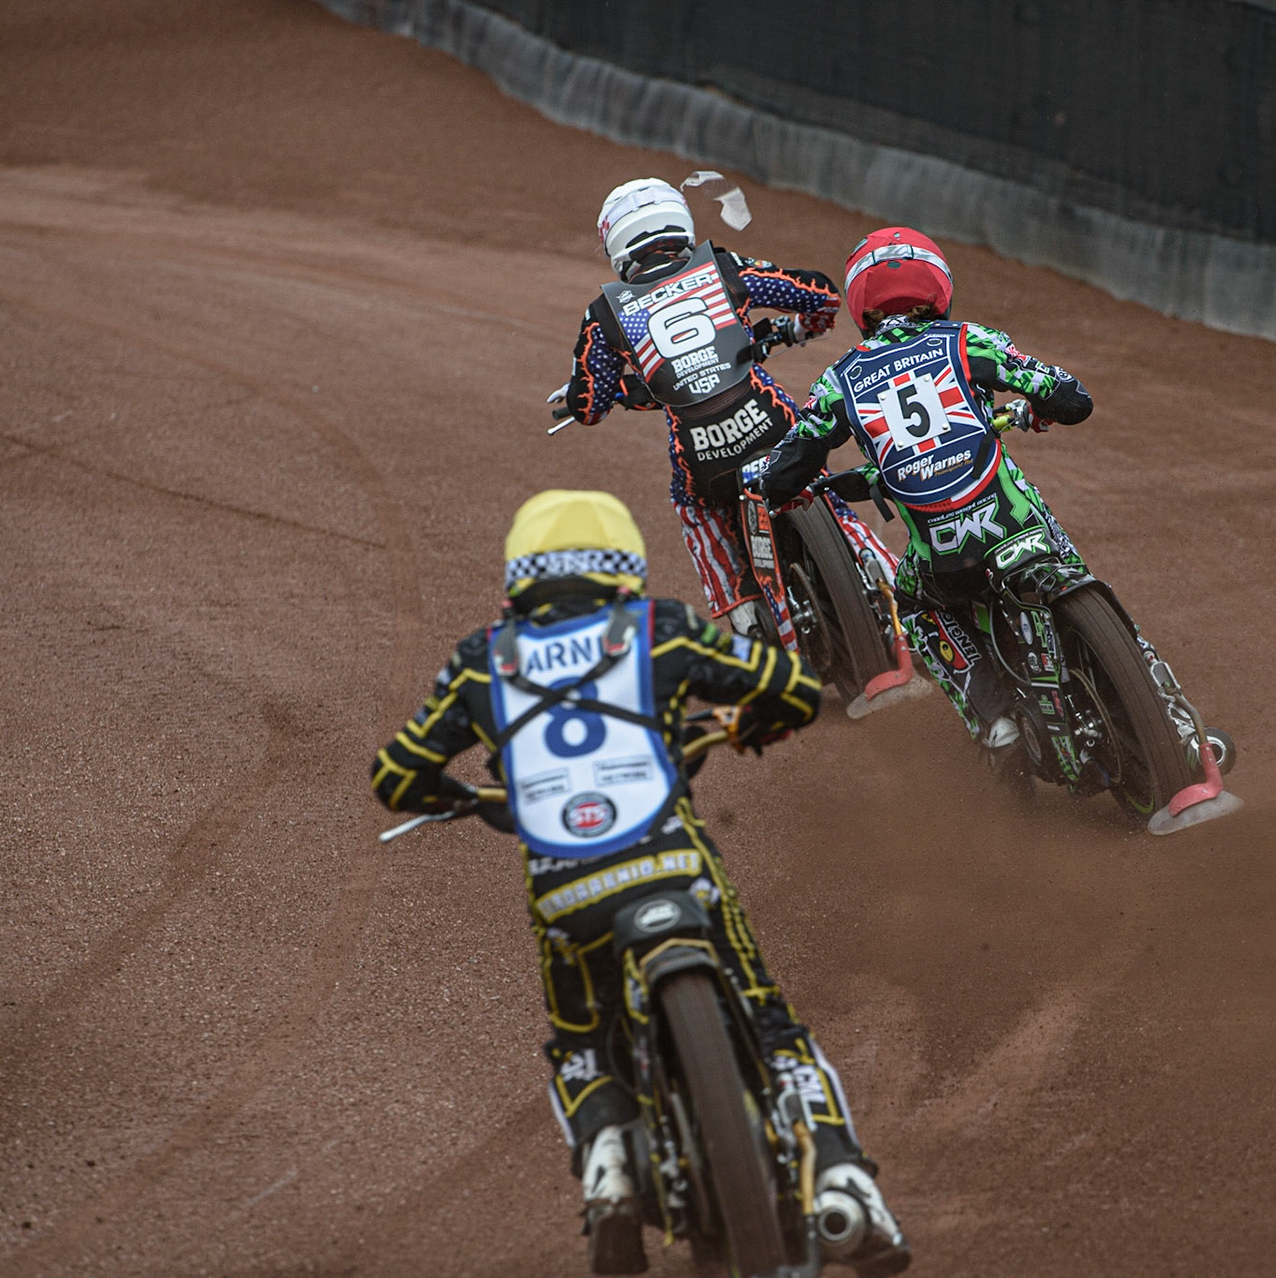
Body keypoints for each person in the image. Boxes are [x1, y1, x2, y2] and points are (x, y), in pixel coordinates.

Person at [370, 490, 909, 1277]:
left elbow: (397, 774)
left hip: (568, 896)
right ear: (621, 566)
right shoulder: (657, 629)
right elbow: (789, 687)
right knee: (769, 1024)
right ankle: (842, 1179)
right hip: (674, 867)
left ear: (523, 577)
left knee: (584, 1041)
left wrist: (468, 801)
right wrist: (752, 724)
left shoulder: (483, 657)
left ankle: (609, 1172)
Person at [758, 227, 1221, 762]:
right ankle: (1181, 729)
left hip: (943, 557)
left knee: (911, 602)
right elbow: (1074, 400)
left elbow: (787, 470)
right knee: (1072, 565)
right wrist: (1040, 408)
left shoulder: (839, 381)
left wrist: (780, 487)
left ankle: (996, 722)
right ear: (936, 285)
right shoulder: (968, 339)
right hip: (1017, 524)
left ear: (863, 304)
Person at [563, 178, 897, 641]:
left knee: (694, 510)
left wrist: (624, 391)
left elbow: (587, 405)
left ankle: (743, 617)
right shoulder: (722, 268)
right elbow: (822, 295)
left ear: (617, 244)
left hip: (702, 456)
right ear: (679, 223)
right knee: (818, 484)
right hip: (770, 422)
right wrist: (789, 332)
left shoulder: (605, 313)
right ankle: (888, 579)